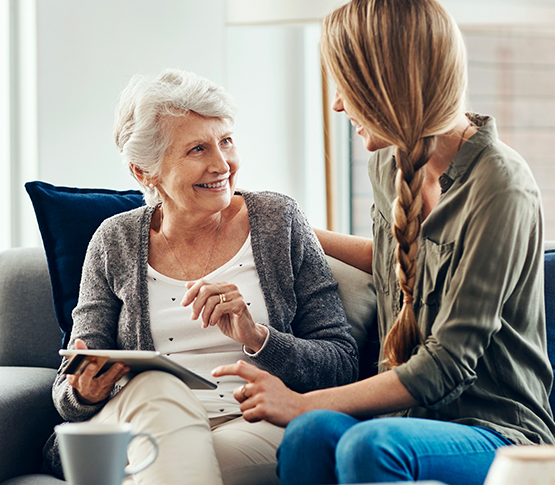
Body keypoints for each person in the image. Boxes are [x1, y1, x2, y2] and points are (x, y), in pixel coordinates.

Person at [212, 1, 555, 484]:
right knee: (309, 435)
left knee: (366, 444)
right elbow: (396, 260)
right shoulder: (388, 164)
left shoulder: (500, 185)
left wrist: (300, 401)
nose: (337, 105)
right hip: (406, 425)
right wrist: (298, 232)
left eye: (347, 87)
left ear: (389, 85)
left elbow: (446, 364)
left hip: (498, 432)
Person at [44, 68, 359, 485]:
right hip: (141, 419)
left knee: (170, 462)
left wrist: (257, 337)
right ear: (144, 172)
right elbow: (70, 391)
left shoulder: (278, 220)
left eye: (225, 141)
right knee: (157, 388)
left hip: (249, 424)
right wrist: (83, 390)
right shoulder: (113, 240)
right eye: (197, 149)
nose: (221, 164)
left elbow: (342, 364)